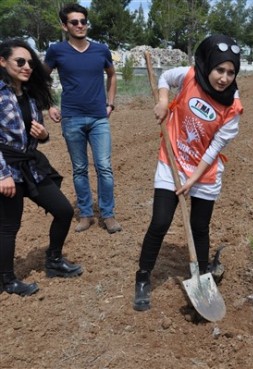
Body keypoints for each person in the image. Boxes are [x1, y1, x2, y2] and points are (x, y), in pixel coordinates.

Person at [133, 35, 243, 311]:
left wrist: (191, 180)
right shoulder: (190, 76)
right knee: (160, 222)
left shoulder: (233, 106)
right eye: (220, 70)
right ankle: (143, 277)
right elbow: (165, 77)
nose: (224, 78)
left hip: (204, 172)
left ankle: (203, 275)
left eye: (231, 72)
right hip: (172, 160)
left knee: (199, 227)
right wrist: (162, 101)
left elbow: (214, 148)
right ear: (208, 65)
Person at [0, 39, 83, 296]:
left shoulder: (29, 95)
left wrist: (44, 135)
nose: (27, 67)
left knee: (63, 210)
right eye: (20, 62)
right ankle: (7, 280)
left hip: (30, 166)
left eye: (30, 63)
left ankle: (54, 261)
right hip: (7, 169)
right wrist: (2, 175)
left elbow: (32, 135)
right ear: (2, 62)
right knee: (8, 227)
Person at [44, 3, 122, 233]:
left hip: (99, 117)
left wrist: (110, 103)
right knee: (79, 169)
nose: (80, 25)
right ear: (64, 25)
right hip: (71, 118)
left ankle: (108, 214)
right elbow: (42, 78)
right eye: (74, 22)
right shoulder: (56, 51)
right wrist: (49, 105)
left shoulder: (101, 50)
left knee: (104, 167)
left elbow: (112, 75)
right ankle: (86, 214)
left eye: (83, 21)